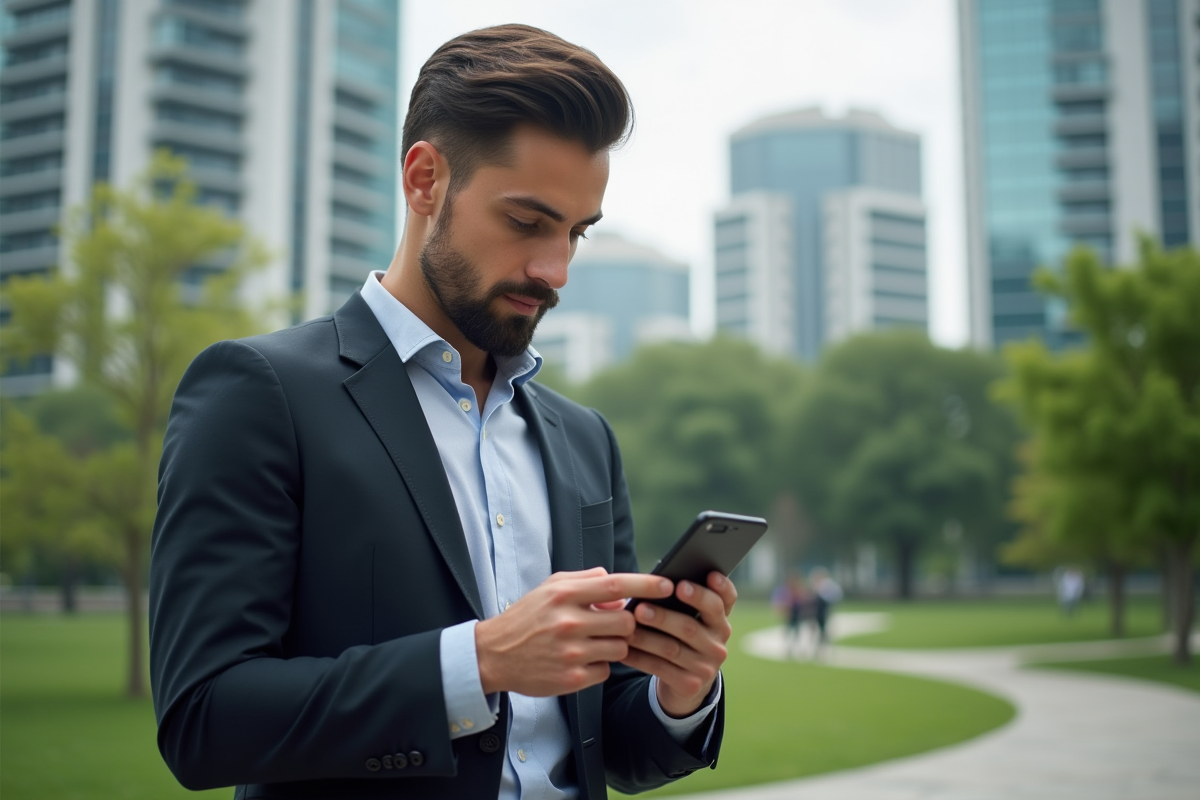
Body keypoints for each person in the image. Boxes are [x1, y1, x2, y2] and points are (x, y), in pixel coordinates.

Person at [148, 25, 733, 800]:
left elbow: (606, 743)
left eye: (575, 233)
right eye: (527, 222)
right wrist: (481, 660)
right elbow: (204, 722)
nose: (555, 269)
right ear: (425, 180)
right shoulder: (259, 394)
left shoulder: (585, 440)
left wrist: (677, 693)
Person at [771, 571, 810, 659]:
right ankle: (790, 650)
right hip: (790, 614)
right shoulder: (786, 590)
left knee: (798, 633)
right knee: (790, 632)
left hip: (798, 614)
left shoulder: (799, 590)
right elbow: (781, 602)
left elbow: (804, 601)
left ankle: (798, 650)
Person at [809, 567, 843, 655]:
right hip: (817, 612)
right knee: (818, 630)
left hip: (823, 611)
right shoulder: (816, 586)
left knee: (822, 630)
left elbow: (835, 596)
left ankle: (822, 648)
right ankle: (819, 647)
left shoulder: (827, 585)